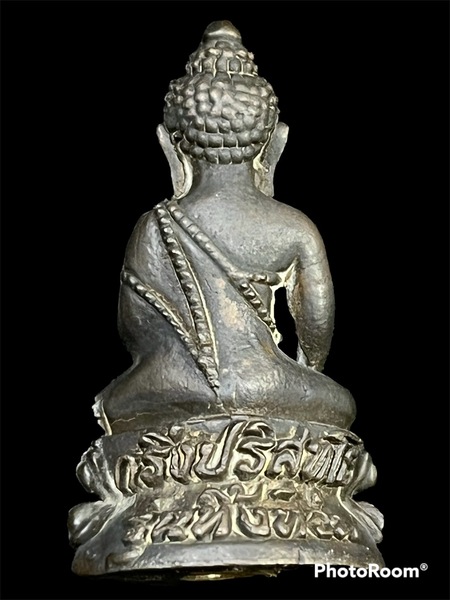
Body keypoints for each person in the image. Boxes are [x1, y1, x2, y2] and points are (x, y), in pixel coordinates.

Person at [95, 21, 355, 435]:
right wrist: (297, 375)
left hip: (171, 389)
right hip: (264, 383)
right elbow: (316, 335)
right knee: (338, 402)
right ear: (275, 145)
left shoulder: (153, 226)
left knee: (111, 403)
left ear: (169, 145)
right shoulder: (295, 228)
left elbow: (137, 333)